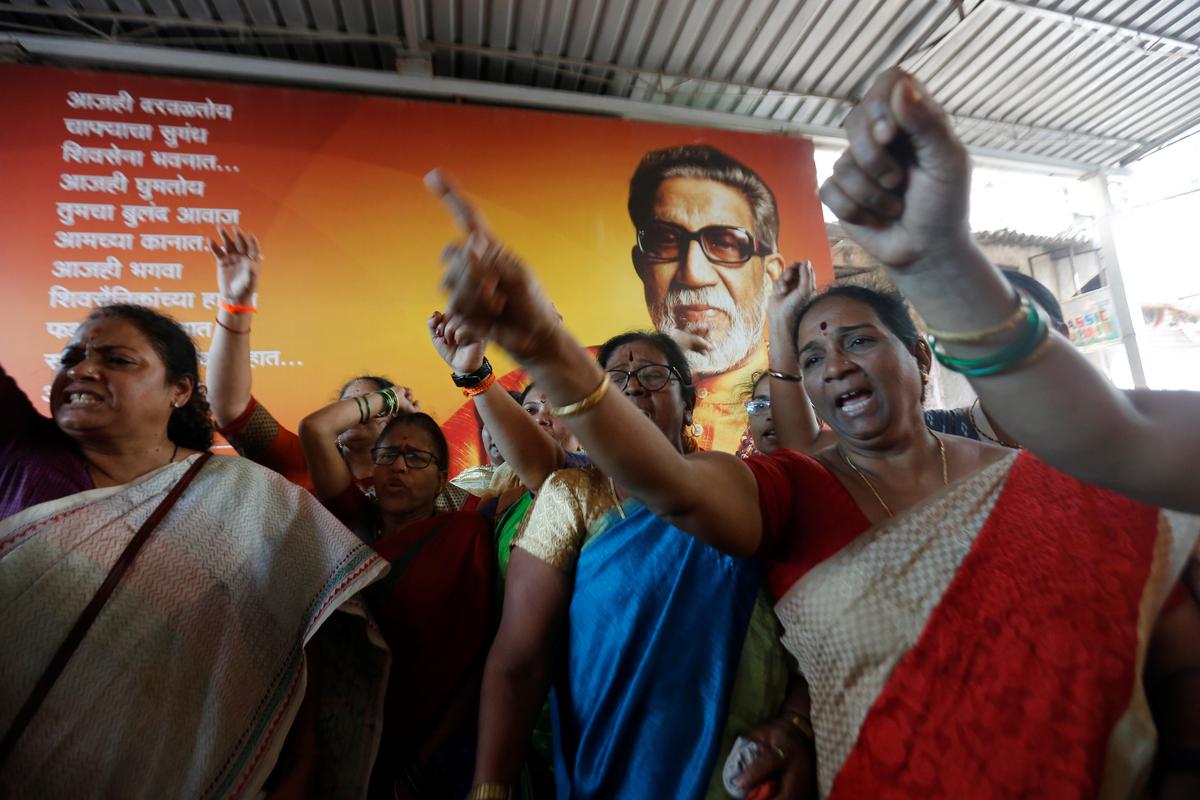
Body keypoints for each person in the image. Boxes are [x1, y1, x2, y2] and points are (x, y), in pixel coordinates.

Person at [425, 161, 1200, 799]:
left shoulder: (1054, 482)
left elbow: (1174, 665)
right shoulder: (788, 487)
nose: (839, 366)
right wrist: (548, 348)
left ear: (922, 360)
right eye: (816, 358)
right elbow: (676, 490)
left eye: (860, 340)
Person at [0, 304, 388, 797]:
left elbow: (297, 655)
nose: (81, 369)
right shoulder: (24, 452)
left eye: (117, 360)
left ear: (180, 390)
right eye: (72, 356)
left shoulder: (247, 498)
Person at [817, 68, 1200, 515]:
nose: (836, 367)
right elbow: (1112, 440)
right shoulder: (943, 433)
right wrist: (937, 263)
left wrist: (938, 262)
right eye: (813, 357)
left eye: (1029, 326)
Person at [468, 330, 803, 800]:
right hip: (609, 766)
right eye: (615, 379)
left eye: (653, 375)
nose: (634, 387)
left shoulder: (741, 489)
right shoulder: (574, 495)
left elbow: (807, 627)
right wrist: (491, 786)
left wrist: (796, 724)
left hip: (744, 771)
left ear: (688, 403)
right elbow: (519, 660)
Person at [298, 395, 496, 799]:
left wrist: (426, 756)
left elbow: (481, 655)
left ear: (443, 479)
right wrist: (387, 399)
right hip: (337, 736)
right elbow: (315, 429)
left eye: (416, 458)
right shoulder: (353, 520)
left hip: (431, 747)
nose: (399, 466)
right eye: (388, 454)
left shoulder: (464, 534)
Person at [203, 227, 470, 507]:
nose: (354, 412)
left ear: (393, 422)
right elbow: (230, 407)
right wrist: (235, 307)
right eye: (349, 404)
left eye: (367, 403)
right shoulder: (305, 463)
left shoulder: (428, 489)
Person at [924, 269, 1071, 447]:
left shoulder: (1106, 422)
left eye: (1021, 326)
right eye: (977, 336)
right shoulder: (933, 435)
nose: (1002, 348)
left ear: (1062, 336)